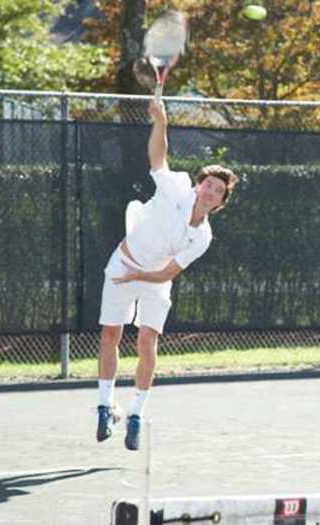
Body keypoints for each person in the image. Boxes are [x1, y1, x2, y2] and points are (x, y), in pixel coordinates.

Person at [96, 99, 239, 450]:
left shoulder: (202, 236)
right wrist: (161, 122)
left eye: (219, 191)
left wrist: (138, 279)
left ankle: (135, 415)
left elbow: (167, 273)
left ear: (220, 203)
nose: (211, 191)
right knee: (110, 333)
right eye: (209, 185)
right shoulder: (176, 186)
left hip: (154, 279)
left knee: (147, 341)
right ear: (199, 185)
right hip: (122, 264)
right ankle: (103, 407)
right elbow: (158, 157)